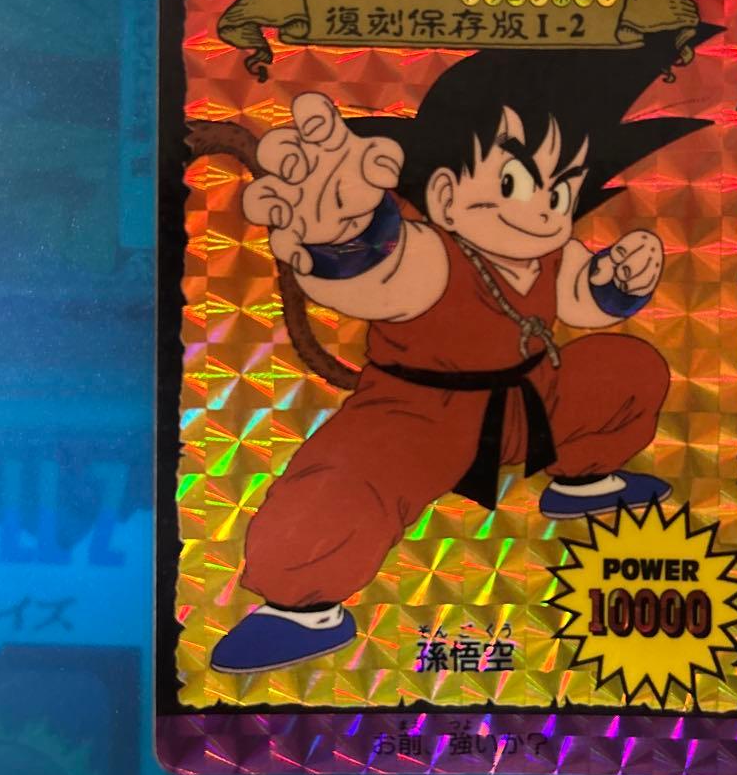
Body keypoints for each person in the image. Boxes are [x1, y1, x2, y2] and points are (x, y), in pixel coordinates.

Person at [210, 42, 710, 673]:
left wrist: (619, 283)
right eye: (514, 183)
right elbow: (379, 276)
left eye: (561, 190)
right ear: (445, 194)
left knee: (627, 368)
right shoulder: (429, 252)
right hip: (415, 420)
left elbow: (580, 299)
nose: (543, 207)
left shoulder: (550, 253)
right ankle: (299, 608)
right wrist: (344, 233)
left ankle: (581, 481)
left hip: (530, 402)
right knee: (338, 490)